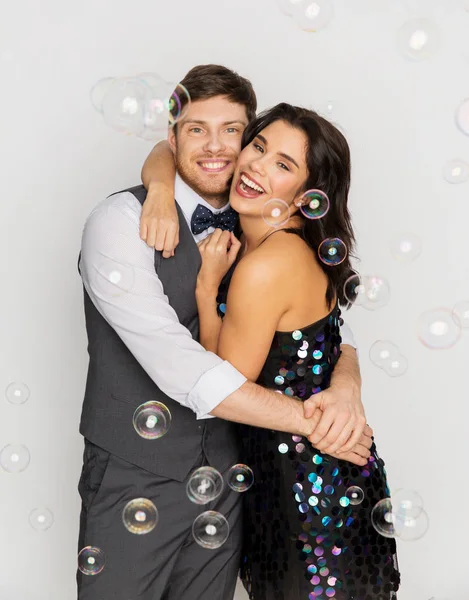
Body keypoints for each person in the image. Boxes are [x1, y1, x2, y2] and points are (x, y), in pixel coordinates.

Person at [77, 65, 373, 600]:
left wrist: (346, 386)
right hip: (135, 479)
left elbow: (326, 329)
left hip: (238, 486)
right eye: (195, 130)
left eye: (233, 132)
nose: (215, 148)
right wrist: (315, 422)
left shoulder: (256, 222)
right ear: (171, 137)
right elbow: (178, 366)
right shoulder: (120, 222)